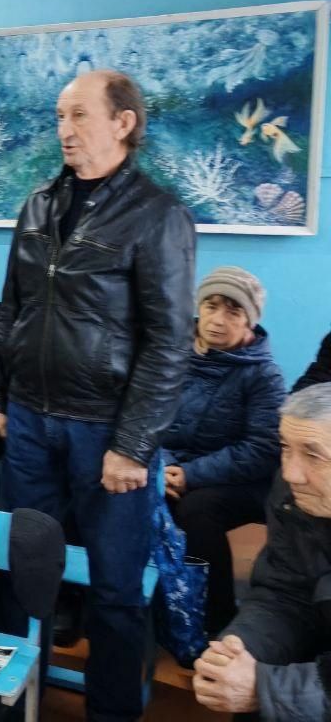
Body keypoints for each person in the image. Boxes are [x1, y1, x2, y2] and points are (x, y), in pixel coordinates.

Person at [0, 69, 196, 722]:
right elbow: (12, 310)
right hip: (28, 423)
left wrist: (133, 445)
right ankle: (10, 705)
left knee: (115, 591)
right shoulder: (38, 205)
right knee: (22, 574)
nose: (64, 130)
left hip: (107, 433)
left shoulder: (158, 215)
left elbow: (169, 341)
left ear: (123, 123)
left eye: (78, 115)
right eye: (59, 117)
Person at [192, 384, 331, 720]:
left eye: (313, 455)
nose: (291, 473)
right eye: (285, 447)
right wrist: (240, 649)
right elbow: (285, 591)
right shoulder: (294, 492)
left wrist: (268, 689)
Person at [161, 266, 284, 635]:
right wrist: (162, 468)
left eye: (233, 311)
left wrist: (191, 475)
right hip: (172, 468)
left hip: (241, 480)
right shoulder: (170, 356)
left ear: (250, 321)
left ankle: (213, 623)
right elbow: (144, 419)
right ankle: (144, 606)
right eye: (211, 306)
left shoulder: (264, 376)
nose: (217, 320)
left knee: (197, 510)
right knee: (121, 489)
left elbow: (262, 449)